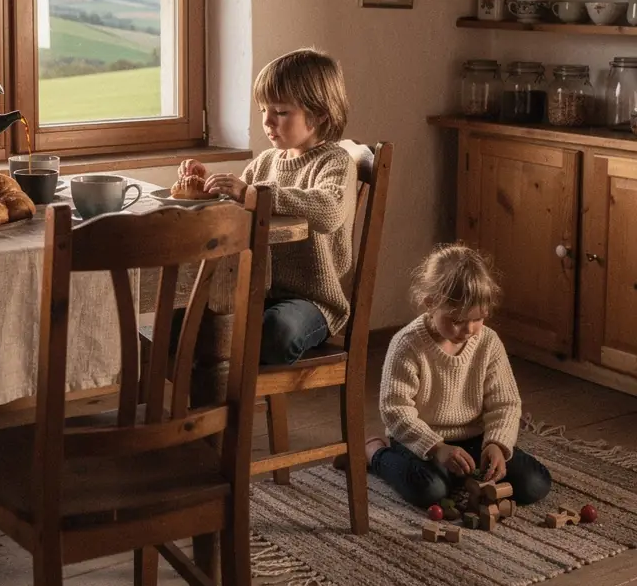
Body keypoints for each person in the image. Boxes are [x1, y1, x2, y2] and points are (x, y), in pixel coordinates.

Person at [185, 49, 356, 365]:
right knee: (182, 323)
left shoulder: (336, 162)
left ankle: (229, 394)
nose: (266, 120)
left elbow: (329, 210)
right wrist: (210, 186)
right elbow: (239, 207)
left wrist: (255, 193)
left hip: (312, 301)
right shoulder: (265, 162)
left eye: (280, 111)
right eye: (264, 109)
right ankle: (214, 401)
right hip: (258, 292)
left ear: (318, 114)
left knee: (276, 332)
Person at [365, 244, 552, 509]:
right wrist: (437, 448)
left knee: (536, 483)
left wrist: (497, 444)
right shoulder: (407, 344)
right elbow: (395, 409)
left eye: (478, 318)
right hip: (422, 441)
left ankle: (462, 475)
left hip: (474, 440)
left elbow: (505, 403)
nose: (468, 329)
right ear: (430, 303)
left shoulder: (488, 342)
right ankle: (375, 453)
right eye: (456, 319)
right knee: (430, 490)